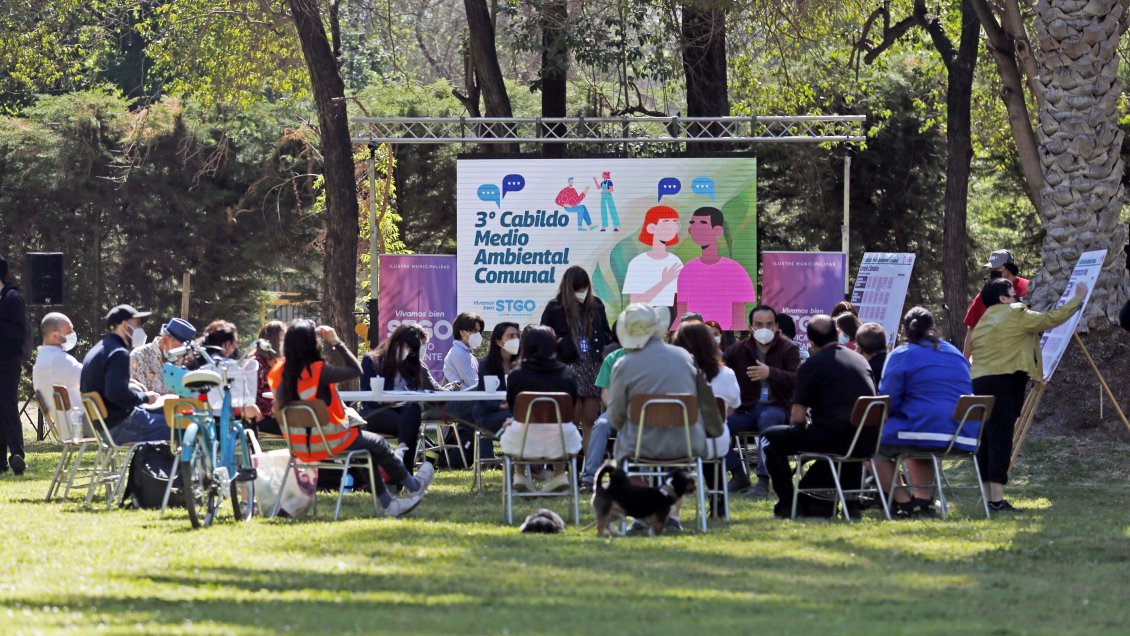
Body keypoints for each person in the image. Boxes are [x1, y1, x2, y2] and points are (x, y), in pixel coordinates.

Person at [268, 319, 432, 517]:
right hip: (330, 441)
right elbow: (356, 370)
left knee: (368, 449)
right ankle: (413, 486)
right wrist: (336, 342)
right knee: (379, 443)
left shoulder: (276, 373)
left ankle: (389, 502)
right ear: (312, 344)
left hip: (299, 446)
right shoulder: (317, 371)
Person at [970, 278, 1084, 512]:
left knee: (987, 440)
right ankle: (997, 501)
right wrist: (1078, 299)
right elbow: (1049, 319)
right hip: (1004, 383)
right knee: (1001, 440)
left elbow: (1008, 349)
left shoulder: (983, 321)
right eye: (1013, 293)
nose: (1018, 297)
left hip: (979, 383)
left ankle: (988, 497)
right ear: (1003, 298)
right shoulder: (1015, 312)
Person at [762, 314, 876, 518]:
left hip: (833, 440)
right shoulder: (861, 360)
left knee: (771, 438)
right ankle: (849, 503)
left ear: (811, 342)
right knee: (842, 433)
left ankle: (789, 503)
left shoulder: (811, 365)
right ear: (837, 333)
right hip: (867, 440)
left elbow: (797, 417)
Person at [607, 303, 709, 532]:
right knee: (673, 460)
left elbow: (615, 415)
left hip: (641, 444)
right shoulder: (685, 357)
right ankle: (672, 515)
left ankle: (644, 512)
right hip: (686, 442)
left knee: (625, 455)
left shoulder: (624, 364)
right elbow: (703, 399)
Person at [871, 308, 972, 517]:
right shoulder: (955, 353)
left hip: (921, 430)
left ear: (905, 330)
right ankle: (923, 502)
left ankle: (905, 502)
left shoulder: (901, 354)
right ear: (932, 326)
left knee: (867, 446)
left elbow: (887, 400)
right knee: (919, 442)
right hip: (961, 433)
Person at [722, 305, 800, 497]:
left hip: (777, 407)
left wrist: (770, 373)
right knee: (715, 426)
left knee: (768, 419)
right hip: (746, 409)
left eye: (769, 324)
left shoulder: (789, 348)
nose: (764, 328)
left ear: (776, 326)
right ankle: (738, 474)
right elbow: (720, 368)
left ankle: (763, 480)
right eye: (759, 324)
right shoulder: (738, 349)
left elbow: (797, 379)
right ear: (751, 327)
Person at [539, 266, 612, 453]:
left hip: (593, 365)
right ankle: (568, 462)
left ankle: (589, 464)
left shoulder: (596, 304)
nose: (582, 292)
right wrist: (558, 342)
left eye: (584, 287)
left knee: (590, 419)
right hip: (568, 366)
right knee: (572, 419)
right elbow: (543, 335)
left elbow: (606, 332)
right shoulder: (555, 307)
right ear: (568, 288)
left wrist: (599, 340)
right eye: (578, 288)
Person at [500, 325, 581, 493]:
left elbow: (514, 409)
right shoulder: (568, 374)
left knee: (512, 423)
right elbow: (571, 407)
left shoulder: (517, 375)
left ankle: (520, 475)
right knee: (559, 425)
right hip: (561, 441)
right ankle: (559, 475)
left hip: (524, 441)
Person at [80, 305, 169, 444]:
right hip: (120, 426)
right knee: (180, 425)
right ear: (124, 325)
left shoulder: (98, 350)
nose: (140, 329)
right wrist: (146, 397)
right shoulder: (118, 353)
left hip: (104, 427)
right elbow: (116, 393)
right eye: (137, 324)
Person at [361, 323, 445, 470]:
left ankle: (400, 453)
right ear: (396, 342)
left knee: (413, 409)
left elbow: (414, 390)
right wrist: (391, 399)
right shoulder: (371, 360)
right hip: (376, 411)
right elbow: (367, 396)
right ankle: (406, 472)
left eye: (412, 350)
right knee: (410, 424)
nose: (408, 351)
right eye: (407, 347)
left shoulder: (411, 363)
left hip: (403, 411)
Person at [675, 206, 757, 330]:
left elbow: (738, 321)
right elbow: (681, 316)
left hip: (724, 337)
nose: (695, 228)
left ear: (718, 230)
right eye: (693, 223)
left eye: (703, 223)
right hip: (693, 336)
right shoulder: (687, 270)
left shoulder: (735, 270)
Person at [673, 320, 739, 461]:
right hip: (715, 444)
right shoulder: (726, 373)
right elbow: (732, 408)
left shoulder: (668, 374)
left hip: (674, 444)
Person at [962, 249, 1031, 360]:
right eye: (991, 269)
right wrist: (965, 359)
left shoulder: (1028, 287)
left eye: (997, 268)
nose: (993, 272)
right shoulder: (984, 295)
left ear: (1009, 268)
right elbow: (972, 329)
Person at [0, 255, 29, 474]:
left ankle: (17, 455)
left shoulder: (12, 298)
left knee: (8, 408)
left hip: (8, 364)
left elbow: (20, 332)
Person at [31, 313, 83, 434]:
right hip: (80, 423)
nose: (73, 333)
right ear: (55, 335)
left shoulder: (45, 358)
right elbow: (93, 378)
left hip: (71, 425)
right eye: (68, 330)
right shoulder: (57, 359)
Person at [471, 321, 520, 438]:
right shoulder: (486, 365)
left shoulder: (521, 364)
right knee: (517, 420)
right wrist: (501, 406)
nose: (516, 339)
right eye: (511, 336)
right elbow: (485, 397)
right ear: (498, 342)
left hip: (515, 411)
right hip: (490, 413)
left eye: (517, 336)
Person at [129, 318, 196, 394]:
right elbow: (132, 394)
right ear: (165, 339)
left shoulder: (180, 361)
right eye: (179, 349)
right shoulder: (138, 357)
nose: (180, 355)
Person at [442, 312, 485, 431]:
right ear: (462, 332)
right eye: (474, 331)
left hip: (468, 402)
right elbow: (473, 384)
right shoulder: (458, 353)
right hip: (460, 404)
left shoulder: (468, 354)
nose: (478, 335)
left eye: (479, 331)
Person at [250, 321, 286, 436]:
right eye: (283, 338)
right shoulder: (257, 365)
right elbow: (252, 397)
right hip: (262, 418)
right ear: (273, 341)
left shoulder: (278, 363)